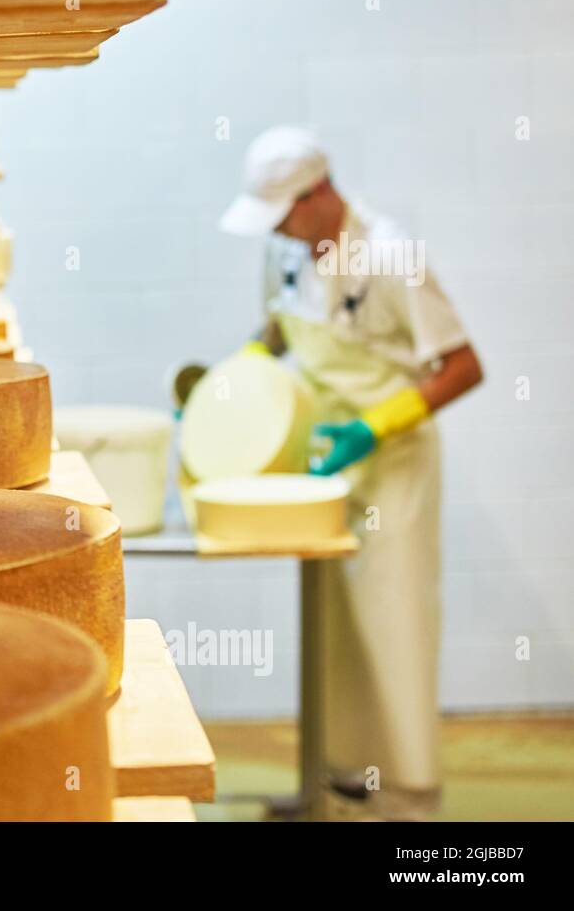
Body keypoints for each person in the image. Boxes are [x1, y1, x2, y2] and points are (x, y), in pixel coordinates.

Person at [219, 126, 483, 820]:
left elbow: (462, 367)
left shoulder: (392, 254)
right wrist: (234, 375)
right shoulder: (286, 250)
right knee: (336, 628)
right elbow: (277, 331)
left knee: (393, 623)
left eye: (286, 213)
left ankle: (408, 800)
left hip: (392, 469)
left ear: (321, 192)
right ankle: (337, 783)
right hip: (327, 465)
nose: (279, 229)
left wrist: (375, 427)